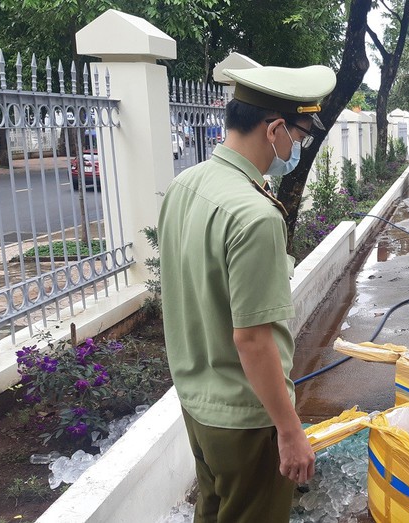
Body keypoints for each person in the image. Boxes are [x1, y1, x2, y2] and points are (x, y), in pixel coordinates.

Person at [158, 64, 336, 522]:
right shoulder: (254, 215)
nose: (296, 147)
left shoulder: (185, 185)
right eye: (297, 136)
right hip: (245, 416)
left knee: (214, 510)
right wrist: (290, 429)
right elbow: (253, 338)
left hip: (198, 401)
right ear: (274, 128)